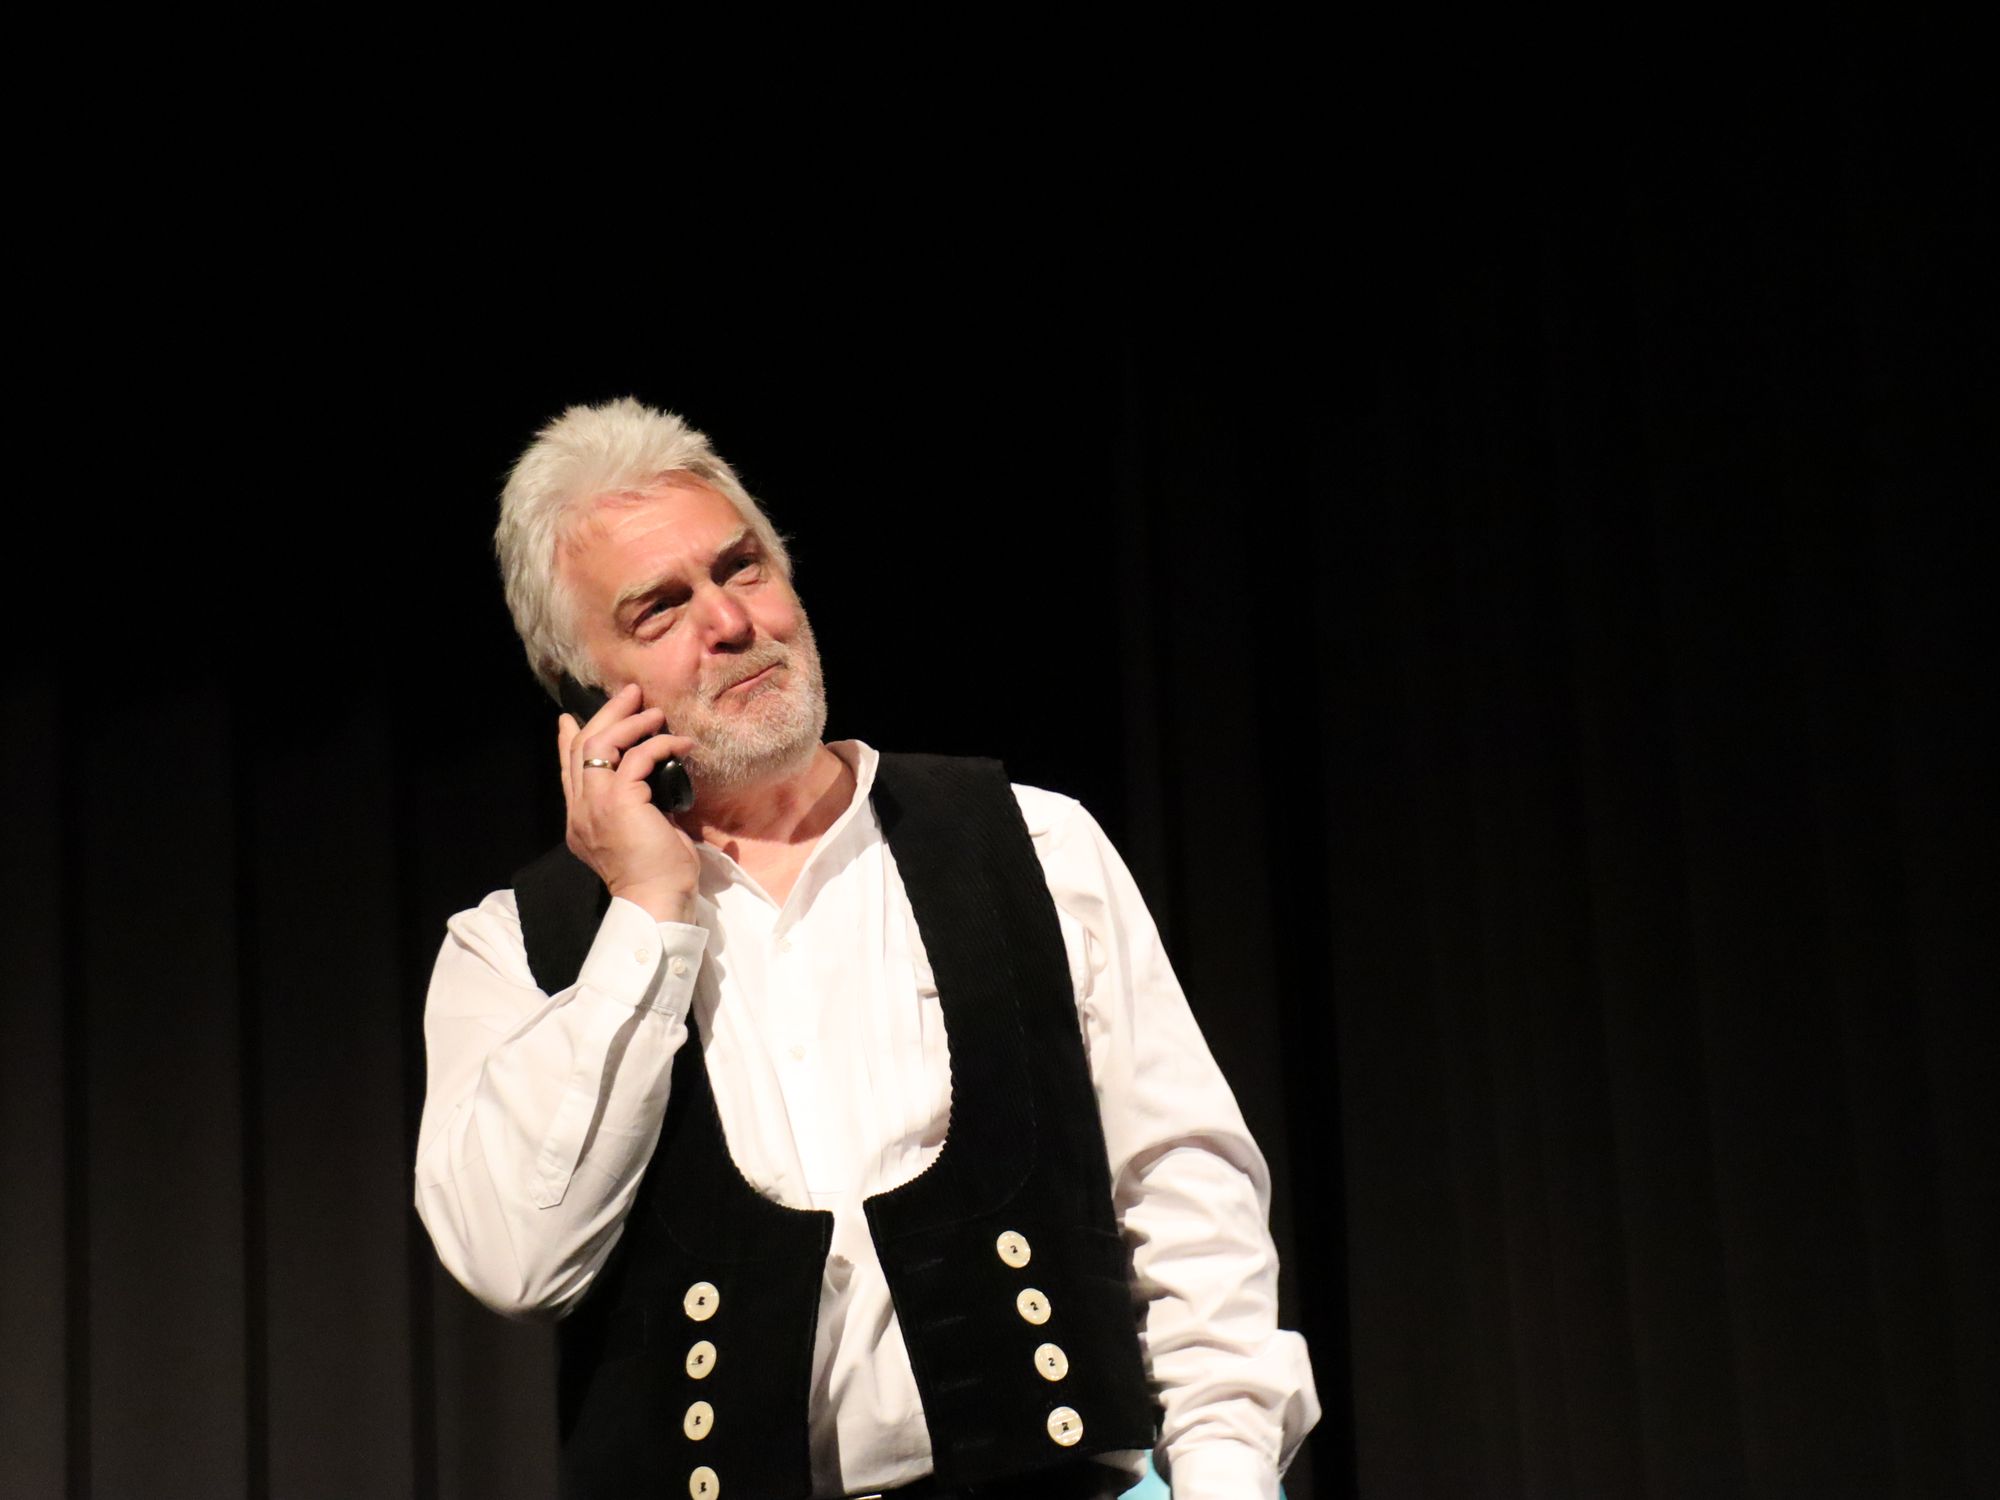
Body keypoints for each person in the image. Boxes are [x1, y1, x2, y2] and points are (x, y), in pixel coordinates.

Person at [414, 398, 1317, 1500]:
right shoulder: (511, 952)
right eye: (660, 610)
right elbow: (516, 1263)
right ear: (585, 695)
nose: (729, 622)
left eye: (740, 569)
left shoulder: (1034, 847)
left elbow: (1185, 1201)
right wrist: (646, 914)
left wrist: (1226, 1480)